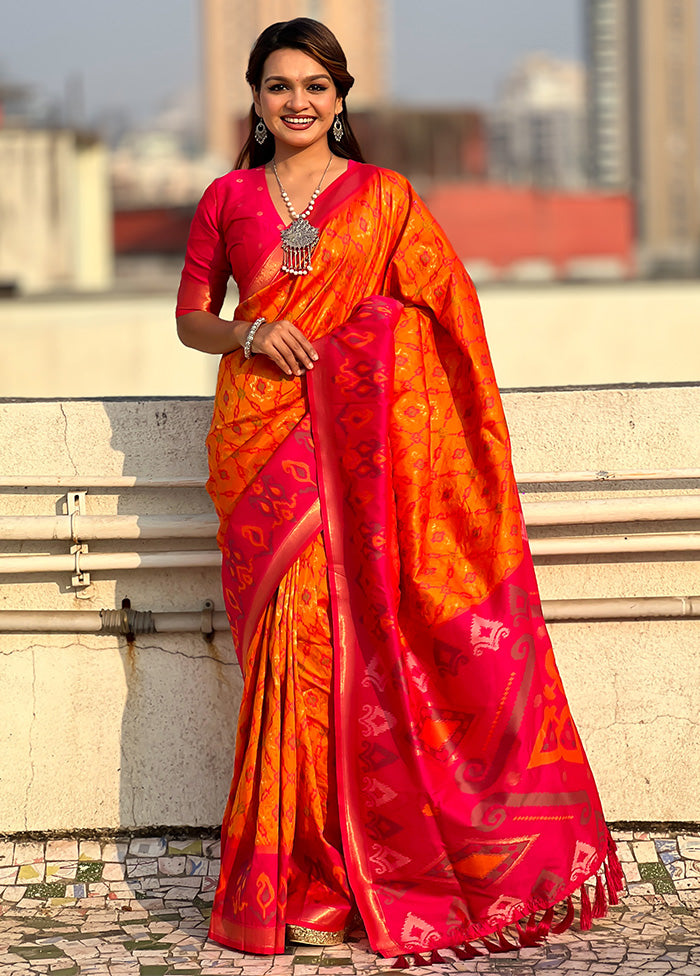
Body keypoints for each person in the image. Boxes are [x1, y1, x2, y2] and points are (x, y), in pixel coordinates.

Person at [176, 17, 622, 963]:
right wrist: (252, 335)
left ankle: (350, 870)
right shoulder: (226, 199)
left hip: (363, 447)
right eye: (279, 86)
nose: (298, 101)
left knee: (347, 652)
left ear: (341, 102)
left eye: (317, 87)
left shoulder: (386, 199)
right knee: (281, 661)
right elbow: (191, 321)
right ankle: (287, 872)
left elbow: (446, 315)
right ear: (255, 101)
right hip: (259, 446)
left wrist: (359, 342)